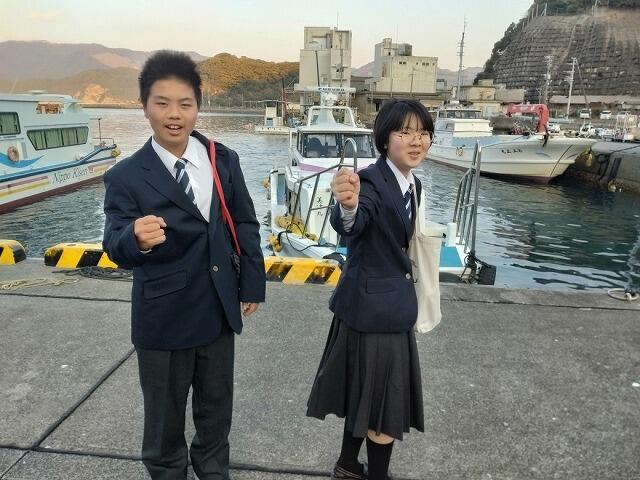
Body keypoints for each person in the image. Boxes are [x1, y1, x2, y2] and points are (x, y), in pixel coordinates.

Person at [102, 50, 266, 480]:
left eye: (185, 104)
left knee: (216, 413)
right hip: (163, 318)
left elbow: (244, 221)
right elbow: (113, 241)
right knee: (164, 423)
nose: (174, 114)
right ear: (145, 107)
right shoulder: (126, 176)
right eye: (162, 103)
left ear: (197, 107)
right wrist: (134, 237)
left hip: (217, 309)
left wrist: (251, 283)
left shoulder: (221, 158)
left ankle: (213, 471)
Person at [307, 98, 434, 480]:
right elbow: (353, 222)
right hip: (375, 313)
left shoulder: (413, 183)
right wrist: (347, 205)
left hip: (380, 307)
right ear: (384, 140)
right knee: (383, 407)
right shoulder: (373, 182)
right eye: (405, 132)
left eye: (423, 133)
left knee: (365, 397)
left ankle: (347, 466)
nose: (416, 141)